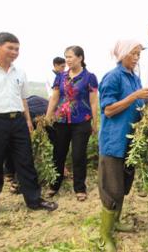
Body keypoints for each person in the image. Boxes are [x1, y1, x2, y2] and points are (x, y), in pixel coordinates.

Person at [0, 32, 58, 218]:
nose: (15, 52)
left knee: (25, 161)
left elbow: (23, 99)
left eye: (17, 49)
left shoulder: (19, 72)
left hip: (18, 122)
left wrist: (28, 121)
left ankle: (34, 200)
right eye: (10, 48)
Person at [98, 40, 148, 251]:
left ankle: (117, 223)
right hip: (114, 141)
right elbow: (109, 110)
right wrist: (135, 96)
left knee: (123, 185)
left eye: (139, 53)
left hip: (131, 142)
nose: (137, 57)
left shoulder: (134, 78)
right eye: (133, 53)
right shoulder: (113, 77)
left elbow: (137, 105)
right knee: (111, 188)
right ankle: (104, 236)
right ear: (122, 54)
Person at [46, 45, 98, 201]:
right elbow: (55, 97)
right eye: (66, 57)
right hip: (61, 121)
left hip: (81, 121)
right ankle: (54, 184)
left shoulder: (90, 77)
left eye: (70, 57)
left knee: (78, 155)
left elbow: (93, 101)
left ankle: (80, 188)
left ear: (80, 57)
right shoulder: (60, 76)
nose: (67, 60)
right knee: (58, 153)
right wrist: (48, 116)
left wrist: (95, 122)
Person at [4, 95, 51, 194]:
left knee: (14, 145)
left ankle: (12, 175)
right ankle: (14, 177)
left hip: (28, 113)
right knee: (22, 150)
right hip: (27, 115)